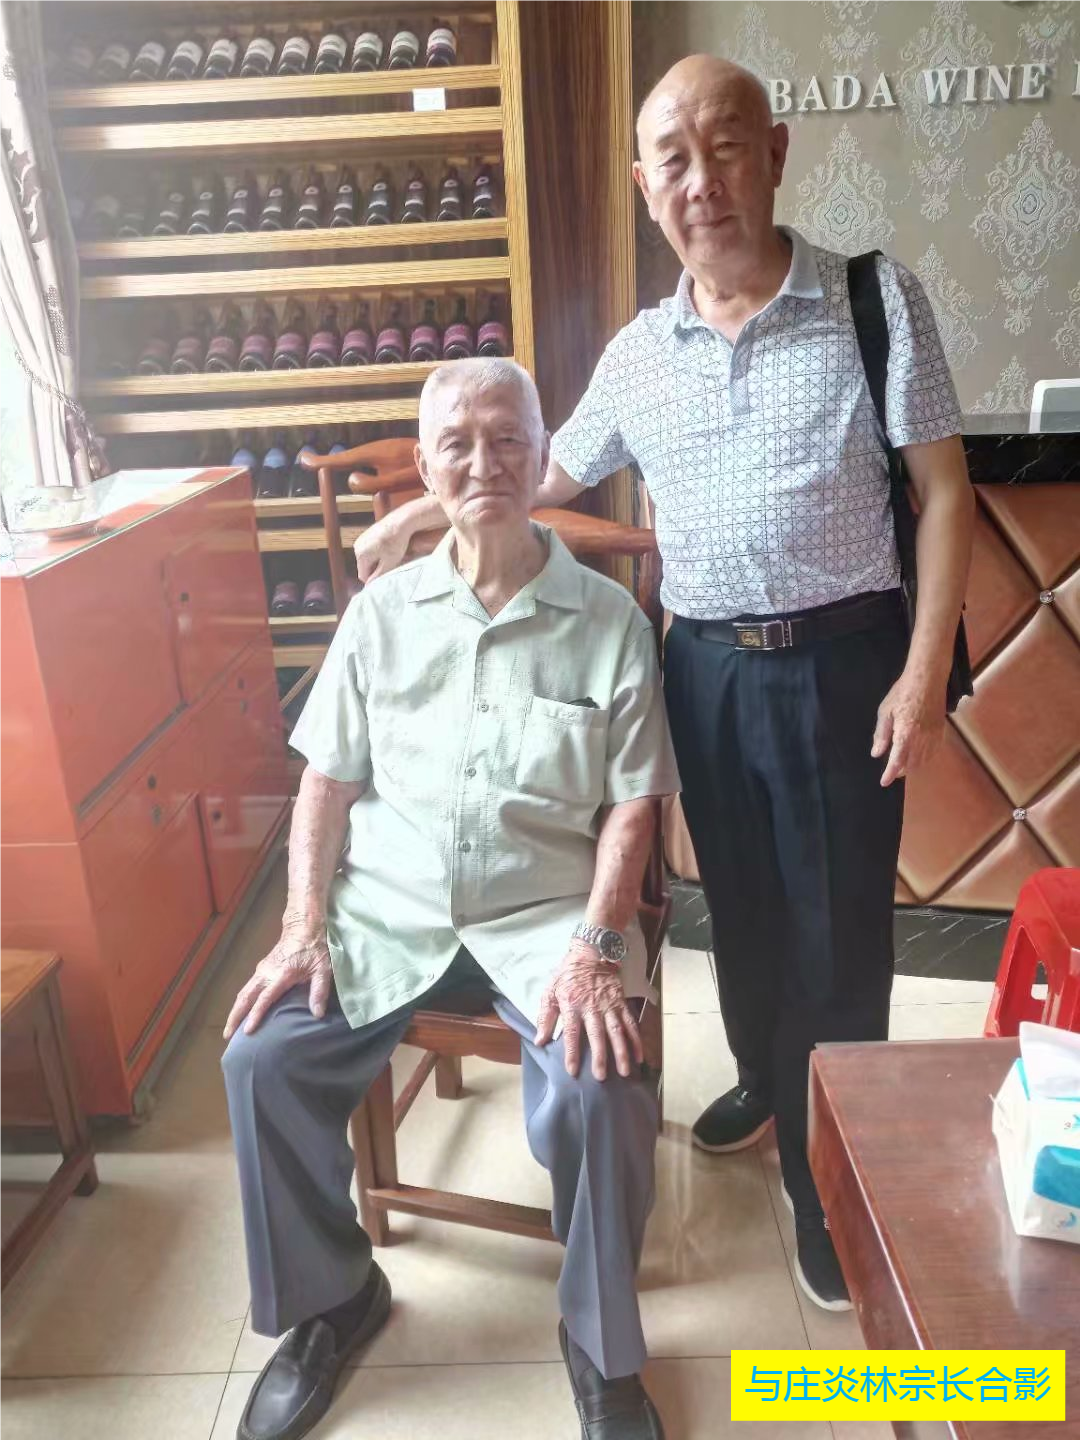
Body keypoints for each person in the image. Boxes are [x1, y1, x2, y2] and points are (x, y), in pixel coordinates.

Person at [354, 56, 975, 1312]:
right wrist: (426, 510)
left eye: (726, 147)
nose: (703, 182)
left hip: (845, 661)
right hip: (702, 668)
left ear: (775, 153)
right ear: (646, 188)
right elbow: (548, 474)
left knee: (840, 931)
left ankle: (831, 1178)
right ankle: (766, 1076)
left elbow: (947, 493)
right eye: (674, 161)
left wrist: (920, 677)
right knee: (735, 911)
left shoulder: (871, 301)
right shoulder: (641, 353)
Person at [222, 358, 680, 1440]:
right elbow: (325, 783)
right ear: (427, 469)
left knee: (604, 1089)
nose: (485, 464)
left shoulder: (608, 621)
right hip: (391, 912)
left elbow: (633, 806)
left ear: (544, 456)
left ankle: (599, 1342)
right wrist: (301, 928)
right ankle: (336, 1299)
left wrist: (596, 946)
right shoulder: (380, 615)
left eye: (508, 439)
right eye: (458, 445)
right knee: (261, 1060)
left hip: (547, 922)